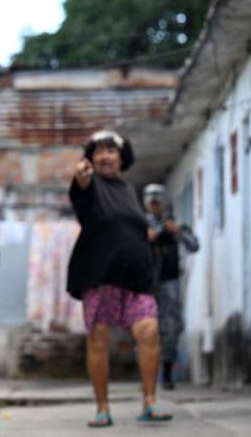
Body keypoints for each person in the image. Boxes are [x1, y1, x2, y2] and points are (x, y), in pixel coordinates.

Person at [66, 130, 172, 427]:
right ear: (90, 159)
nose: (104, 156)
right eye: (98, 151)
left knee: (149, 331)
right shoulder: (89, 185)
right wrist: (82, 176)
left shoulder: (128, 191)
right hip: (100, 276)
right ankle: (102, 408)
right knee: (98, 340)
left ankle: (150, 403)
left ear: (122, 157)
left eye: (111, 150)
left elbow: (131, 228)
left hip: (137, 277)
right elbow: (81, 187)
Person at [143, 183, 199, 391]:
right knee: (146, 329)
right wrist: (145, 237)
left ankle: (166, 375)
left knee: (170, 328)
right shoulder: (140, 225)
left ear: (164, 201)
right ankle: (147, 374)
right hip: (146, 284)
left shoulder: (174, 223)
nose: (155, 204)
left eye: (158, 200)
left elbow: (194, 245)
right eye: (151, 201)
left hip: (170, 282)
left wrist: (178, 231)